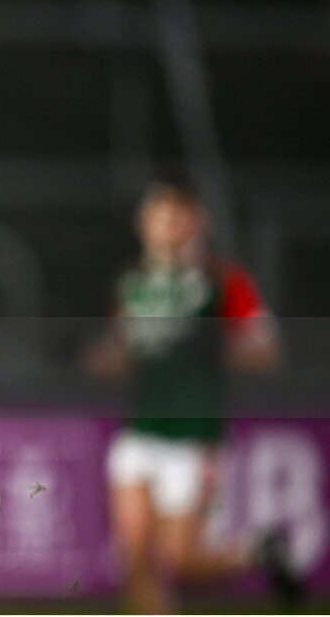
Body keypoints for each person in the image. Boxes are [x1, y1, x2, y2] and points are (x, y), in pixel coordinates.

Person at [84, 179, 296, 613]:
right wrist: (106, 358)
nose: (167, 228)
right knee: (136, 558)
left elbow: (267, 351)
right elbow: (126, 350)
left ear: (197, 223)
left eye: (177, 218)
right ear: (143, 224)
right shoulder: (133, 283)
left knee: (181, 560)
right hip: (141, 428)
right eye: (159, 218)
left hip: (194, 434)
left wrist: (215, 344)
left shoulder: (221, 281)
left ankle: (255, 551)